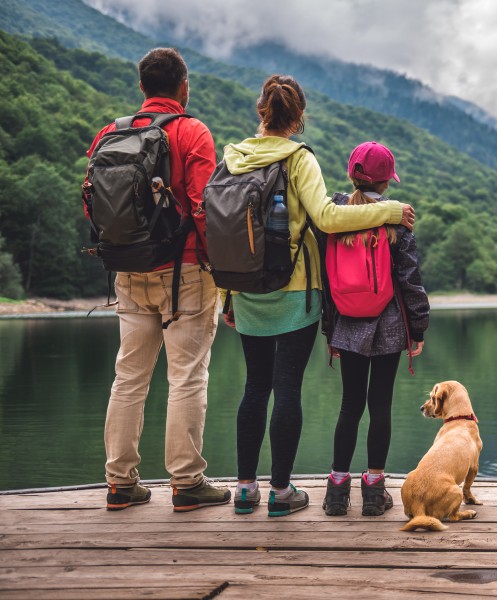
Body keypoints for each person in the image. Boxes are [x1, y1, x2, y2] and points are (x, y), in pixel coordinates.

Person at [223, 77, 417, 517]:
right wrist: (390, 210)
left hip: (245, 289)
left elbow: (225, 228)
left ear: (260, 111)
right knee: (287, 387)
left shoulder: (234, 157)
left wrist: (226, 295)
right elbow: (327, 218)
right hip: (294, 292)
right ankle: (280, 493)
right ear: (299, 117)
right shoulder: (298, 158)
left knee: (255, 386)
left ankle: (246, 489)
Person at [85, 48, 231, 512]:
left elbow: (92, 203)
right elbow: (203, 207)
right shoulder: (192, 130)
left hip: (128, 270)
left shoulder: (109, 134)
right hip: (184, 271)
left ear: (142, 87)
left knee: (128, 377)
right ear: (184, 87)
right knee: (186, 377)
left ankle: (119, 483)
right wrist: (218, 265)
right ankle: (186, 483)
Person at [322, 141, 430, 518]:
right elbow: (410, 281)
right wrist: (418, 328)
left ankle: (337, 492)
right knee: (380, 405)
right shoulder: (397, 220)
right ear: (386, 182)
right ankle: (373, 491)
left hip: (348, 323)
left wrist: (330, 331)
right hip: (389, 324)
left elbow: (327, 280)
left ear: (352, 175)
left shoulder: (334, 217)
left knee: (349, 405)